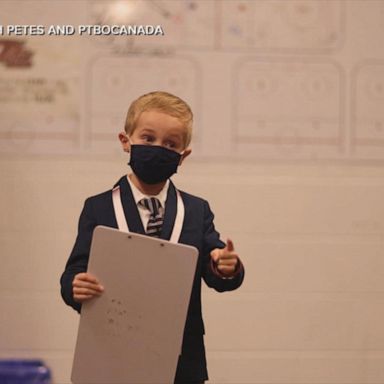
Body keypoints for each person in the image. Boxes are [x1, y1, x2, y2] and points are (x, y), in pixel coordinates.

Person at [60, 91, 245, 384]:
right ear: (126, 141)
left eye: (170, 144)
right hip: (112, 353)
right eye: (148, 139)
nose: (159, 148)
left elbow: (217, 271)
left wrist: (226, 266)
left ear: (183, 156)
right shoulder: (98, 207)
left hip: (181, 361)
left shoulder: (197, 211)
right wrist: (74, 286)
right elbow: (74, 271)